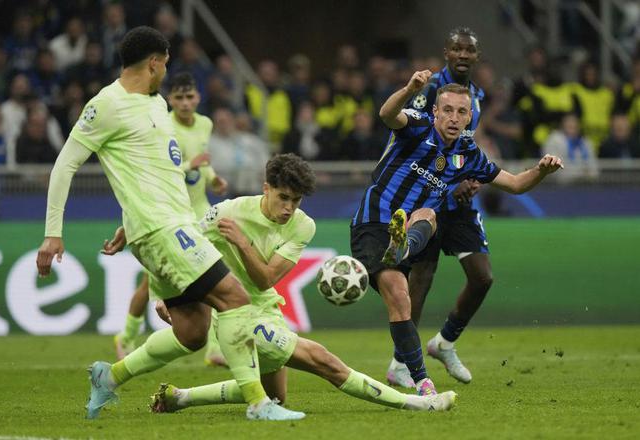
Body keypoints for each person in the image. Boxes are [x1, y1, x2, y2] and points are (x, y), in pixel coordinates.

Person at [35, 26, 303, 422]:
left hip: (169, 224)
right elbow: (65, 165)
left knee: (192, 333)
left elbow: (152, 171)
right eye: (165, 65)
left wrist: (129, 224)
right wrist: (52, 234)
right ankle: (258, 403)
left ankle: (110, 376)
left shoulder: (156, 104)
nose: (165, 71)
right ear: (154, 62)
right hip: (162, 229)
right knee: (235, 298)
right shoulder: (106, 104)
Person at [141, 154, 456, 413]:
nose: (289, 208)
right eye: (283, 198)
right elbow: (178, 249)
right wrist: (163, 296)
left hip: (266, 308)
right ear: (266, 189)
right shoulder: (228, 212)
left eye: (296, 200)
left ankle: (179, 397)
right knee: (324, 361)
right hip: (237, 315)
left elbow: (265, 280)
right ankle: (417, 403)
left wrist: (243, 244)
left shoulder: (303, 225)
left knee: (276, 397)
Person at [350, 70, 563, 397]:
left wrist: (541, 170)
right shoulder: (418, 126)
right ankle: (424, 382)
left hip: (407, 230)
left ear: (468, 118)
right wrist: (409, 89)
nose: (453, 117)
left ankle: (403, 248)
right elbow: (387, 114)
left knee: (428, 218)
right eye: (447, 110)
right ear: (435, 111)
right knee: (401, 295)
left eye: (461, 112)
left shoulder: (469, 155)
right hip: (373, 223)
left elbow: (515, 184)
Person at [385, 27, 493, 388]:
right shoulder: (431, 89)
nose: (463, 55)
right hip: (427, 195)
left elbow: (464, 145)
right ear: (446, 53)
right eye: (456, 49)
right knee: (422, 275)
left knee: (482, 277)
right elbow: (408, 135)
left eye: (469, 50)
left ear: (477, 56)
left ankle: (444, 343)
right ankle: (401, 361)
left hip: (457, 197)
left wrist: (471, 177)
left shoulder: (476, 95)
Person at [113, 71, 229, 366]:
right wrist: (192, 165)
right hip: (168, 214)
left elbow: (202, 161)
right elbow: (161, 170)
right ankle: (126, 336)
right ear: (170, 100)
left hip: (199, 210)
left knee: (218, 274)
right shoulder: (162, 125)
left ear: (198, 97)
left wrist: (212, 178)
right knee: (148, 284)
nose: (185, 103)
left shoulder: (205, 124)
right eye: (179, 97)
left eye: (190, 96)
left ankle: (215, 348)